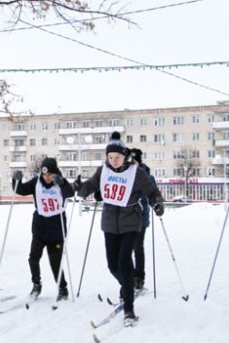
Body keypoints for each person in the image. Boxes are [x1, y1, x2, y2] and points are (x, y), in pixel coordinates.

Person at [73, 132, 164, 326]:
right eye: (110, 157)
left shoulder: (136, 173)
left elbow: (152, 191)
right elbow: (90, 186)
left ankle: (129, 309)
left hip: (131, 222)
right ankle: (128, 287)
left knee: (124, 262)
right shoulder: (103, 171)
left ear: (125, 157)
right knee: (112, 265)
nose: (114, 161)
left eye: (118, 157)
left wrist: (157, 203)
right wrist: (79, 188)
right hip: (109, 223)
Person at [12, 157, 75, 301]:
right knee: (33, 258)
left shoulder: (59, 182)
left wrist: (63, 183)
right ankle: (36, 285)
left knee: (55, 261)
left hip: (56, 229)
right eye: (45, 174)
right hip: (40, 228)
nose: (47, 178)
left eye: (50, 175)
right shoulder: (36, 182)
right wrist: (16, 180)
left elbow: (70, 193)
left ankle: (62, 288)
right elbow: (20, 190)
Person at [129, 148, 154, 291]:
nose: (133, 164)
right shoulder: (127, 175)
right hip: (126, 217)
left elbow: (153, 192)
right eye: (131, 162)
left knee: (137, 247)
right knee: (126, 249)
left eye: (135, 162)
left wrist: (156, 203)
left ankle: (139, 277)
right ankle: (130, 276)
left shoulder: (146, 176)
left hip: (141, 217)